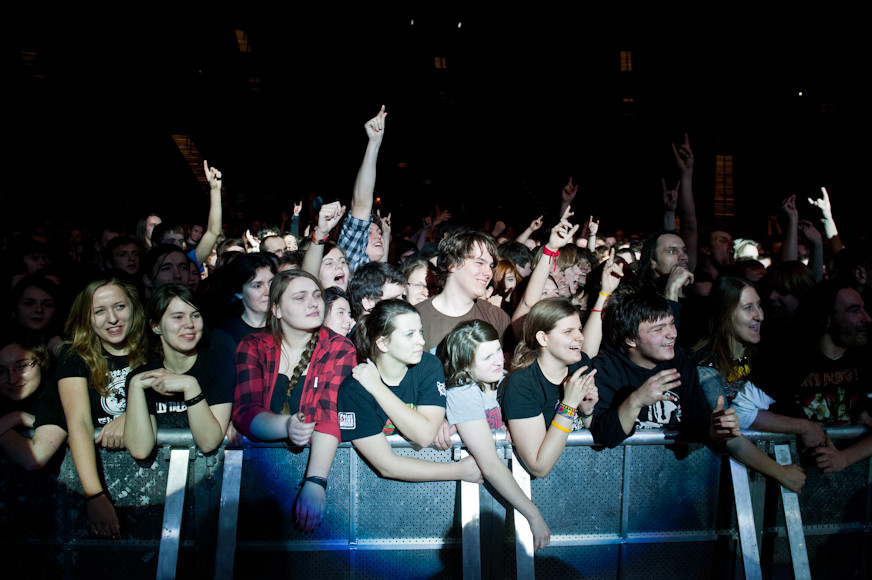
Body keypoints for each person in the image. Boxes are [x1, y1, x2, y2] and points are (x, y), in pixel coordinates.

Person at [232, 270, 356, 531]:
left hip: (320, 470)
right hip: (258, 476)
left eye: (316, 296)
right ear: (277, 309)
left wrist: (315, 481)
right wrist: (287, 425)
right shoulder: (253, 345)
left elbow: (328, 415)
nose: (313, 303)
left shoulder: (339, 348)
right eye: (300, 298)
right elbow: (245, 411)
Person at [337, 299, 482, 483]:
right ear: (383, 343)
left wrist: (377, 388)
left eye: (420, 331)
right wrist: (459, 471)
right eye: (409, 334)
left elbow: (424, 434)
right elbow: (387, 465)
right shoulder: (354, 389)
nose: (421, 341)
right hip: (371, 490)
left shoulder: (428, 365)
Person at [440, 320, 551, 549]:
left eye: (498, 350)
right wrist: (533, 515)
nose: (498, 361)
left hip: (508, 490)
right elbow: (489, 463)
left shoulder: (506, 378)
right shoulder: (463, 391)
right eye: (486, 357)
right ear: (466, 366)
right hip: (481, 493)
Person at [692, 276, 806, 492]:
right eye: (748, 308)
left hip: (763, 474)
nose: (760, 316)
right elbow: (728, 435)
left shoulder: (763, 353)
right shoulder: (705, 362)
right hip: (717, 480)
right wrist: (781, 473)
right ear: (724, 315)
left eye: (759, 305)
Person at [56, 277, 149, 539]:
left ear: (134, 308)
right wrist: (94, 495)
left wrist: (132, 416)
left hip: (153, 480)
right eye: (99, 311)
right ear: (87, 317)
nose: (112, 319)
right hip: (99, 481)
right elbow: (79, 423)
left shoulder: (154, 350)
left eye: (120, 307)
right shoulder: (74, 356)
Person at [591, 288, 739, 449]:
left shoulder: (678, 359)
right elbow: (604, 436)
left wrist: (716, 429)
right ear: (631, 339)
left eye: (671, 323)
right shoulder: (606, 367)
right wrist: (636, 400)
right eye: (658, 329)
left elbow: (696, 419)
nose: (672, 334)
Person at [124, 285, 234, 460]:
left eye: (195, 315)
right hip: (157, 481)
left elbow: (209, 442)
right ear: (156, 326)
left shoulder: (218, 365)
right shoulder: (143, 377)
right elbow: (140, 450)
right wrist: (135, 387)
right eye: (178, 317)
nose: (189, 324)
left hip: (209, 479)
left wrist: (189, 385)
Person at [501, 298, 599, 478]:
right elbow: (539, 467)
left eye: (579, 329)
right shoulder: (522, 385)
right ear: (542, 338)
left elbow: (590, 430)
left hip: (582, 476)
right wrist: (569, 405)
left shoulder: (581, 364)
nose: (580, 337)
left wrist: (587, 412)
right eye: (568, 331)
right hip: (544, 489)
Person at [416, 231, 510, 352]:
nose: (489, 273)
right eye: (480, 263)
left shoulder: (496, 316)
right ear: (452, 264)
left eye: (491, 266)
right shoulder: (416, 318)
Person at [0, 335, 67, 470]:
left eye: (22, 366)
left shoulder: (54, 398)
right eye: (1, 371)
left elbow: (35, 458)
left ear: (41, 362)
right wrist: (17, 417)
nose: (12, 379)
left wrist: (8, 424)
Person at [338, 106, 390, 271]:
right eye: (369, 233)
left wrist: (386, 235)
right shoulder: (352, 263)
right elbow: (361, 203)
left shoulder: (375, 273)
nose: (378, 237)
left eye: (378, 233)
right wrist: (374, 143)